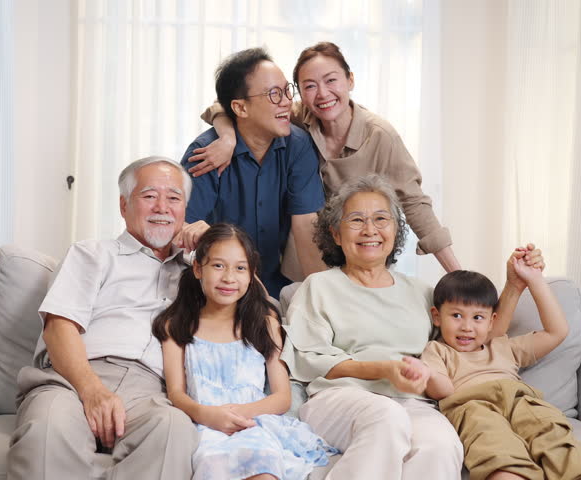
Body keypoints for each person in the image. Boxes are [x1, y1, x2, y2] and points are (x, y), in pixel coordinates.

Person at [279, 174, 544, 479]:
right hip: (339, 398)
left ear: (395, 231)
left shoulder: (422, 292)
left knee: (441, 444)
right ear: (336, 234)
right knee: (387, 417)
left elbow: (478, 340)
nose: (370, 230)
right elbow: (308, 360)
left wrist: (513, 284)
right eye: (356, 220)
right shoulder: (319, 287)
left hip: (413, 401)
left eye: (381, 219)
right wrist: (385, 369)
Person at [193, 41, 462, 274]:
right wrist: (227, 137)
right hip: (305, 262)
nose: (322, 94)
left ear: (350, 80)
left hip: (359, 259)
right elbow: (227, 105)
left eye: (332, 80)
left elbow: (414, 202)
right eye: (309, 86)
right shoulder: (298, 118)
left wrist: (458, 274)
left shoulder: (379, 136)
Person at [8, 156, 199, 479]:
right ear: (124, 206)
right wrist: (92, 390)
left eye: (174, 198)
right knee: (47, 427)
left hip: (152, 391)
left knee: (174, 429)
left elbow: (258, 310)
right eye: (149, 196)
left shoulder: (202, 270)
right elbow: (59, 327)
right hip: (73, 378)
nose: (162, 208)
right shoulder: (92, 254)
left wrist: (214, 247)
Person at [153, 223, 338, 480]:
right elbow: (176, 393)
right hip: (205, 426)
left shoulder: (264, 323)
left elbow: (282, 397)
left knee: (263, 461)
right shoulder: (177, 325)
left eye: (240, 268)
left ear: (251, 275)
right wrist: (209, 415)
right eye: (218, 266)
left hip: (253, 423)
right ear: (198, 268)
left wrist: (238, 414)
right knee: (212, 463)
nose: (229, 278)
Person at [420, 269, 581, 480]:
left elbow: (557, 332)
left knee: (551, 432)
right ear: (437, 316)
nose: (466, 327)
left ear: (492, 321)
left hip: (520, 400)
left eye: (478, 317)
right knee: (492, 441)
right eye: (456, 315)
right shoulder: (437, 350)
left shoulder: (504, 346)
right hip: (473, 406)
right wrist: (425, 374)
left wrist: (534, 280)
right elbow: (441, 390)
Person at [178, 47, 326, 298]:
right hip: (218, 288)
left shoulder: (298, 145)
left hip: (275, 284)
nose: (287, 101)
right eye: (273, 94)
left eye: (287, 90)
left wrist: (323, 300)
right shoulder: (207, 153)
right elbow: (181, 229)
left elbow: (306, 230)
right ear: (240, 108)